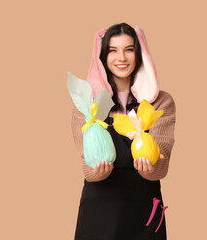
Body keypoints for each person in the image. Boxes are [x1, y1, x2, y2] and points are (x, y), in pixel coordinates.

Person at [71, 22, 176, 240]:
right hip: (98, 213)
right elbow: (87, 165)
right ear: (102, 57)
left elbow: (161, 159)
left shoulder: (160, 102)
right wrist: (94, 171)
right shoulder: (86, 104)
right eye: (113, 50)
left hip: (144, 212)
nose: (121, 58)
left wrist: (152, 167)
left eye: (129, 50)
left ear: (140, 55)